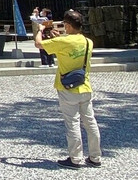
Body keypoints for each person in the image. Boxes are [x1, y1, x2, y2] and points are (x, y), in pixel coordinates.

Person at [34, 9, 102, 169]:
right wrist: (59, 38)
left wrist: (40, 30)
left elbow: (38, 44)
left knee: (72, 123)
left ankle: (75, 158)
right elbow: (70, 47)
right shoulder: (87, 42)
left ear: (69, 25)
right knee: (90, 122)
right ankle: (95, 156)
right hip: (85, 86)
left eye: (65, 24)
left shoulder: (63, 42)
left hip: (67, 88)